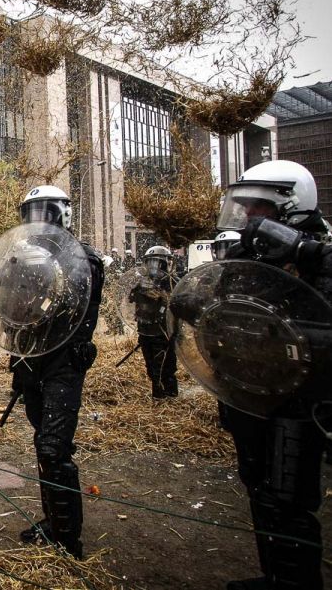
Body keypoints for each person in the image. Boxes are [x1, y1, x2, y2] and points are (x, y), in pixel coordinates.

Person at [206, 160, 331, 590]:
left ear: (291, 205)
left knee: (289, 501)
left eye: (258, 208)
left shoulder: (319, 253)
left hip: (295, 401)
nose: (249, 218)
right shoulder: (246, 256)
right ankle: (274, 576)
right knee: (258, 489)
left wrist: (307, 255)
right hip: (250, 393)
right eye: (244, 208)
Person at [11, 185, 104, 559]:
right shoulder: (21, 255)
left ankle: (68, 538)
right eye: (32, 213)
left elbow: (82, 306)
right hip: (31, 359)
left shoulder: (82, 257)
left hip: (63, 361)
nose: (38, 220)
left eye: (45, 212)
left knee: (53, 447)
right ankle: (53, 521)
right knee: (42, 440)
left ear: (62, 213)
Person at [128, 245, 178, 399]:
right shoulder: (142, 282)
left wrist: (164, 296)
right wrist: (139, 291)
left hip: (163, 333)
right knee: (151, 367)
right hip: (145, 330)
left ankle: (168, 394)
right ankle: (159, 393)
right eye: (150, 263)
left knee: (164, 367)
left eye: (156, 263)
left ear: (165, 263)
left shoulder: (172, 282)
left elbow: (179, 305)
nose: (153, 267)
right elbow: (131, 299)